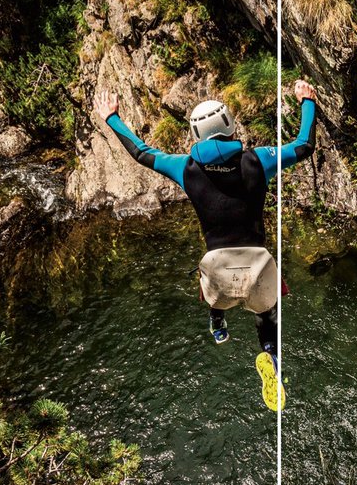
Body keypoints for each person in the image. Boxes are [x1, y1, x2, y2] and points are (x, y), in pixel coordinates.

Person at [94, 81, 319, 410]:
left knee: (215, 286)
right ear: (229, 124)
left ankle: (217, 322)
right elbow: (304, 146)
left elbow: (142, 152)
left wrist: (112, 117)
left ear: (195, 135)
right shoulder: (259, 161)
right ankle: (270, 357)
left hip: (217, 273)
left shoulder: (185, 168)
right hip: (259, 267)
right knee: (267, 317)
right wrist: (307, 101)